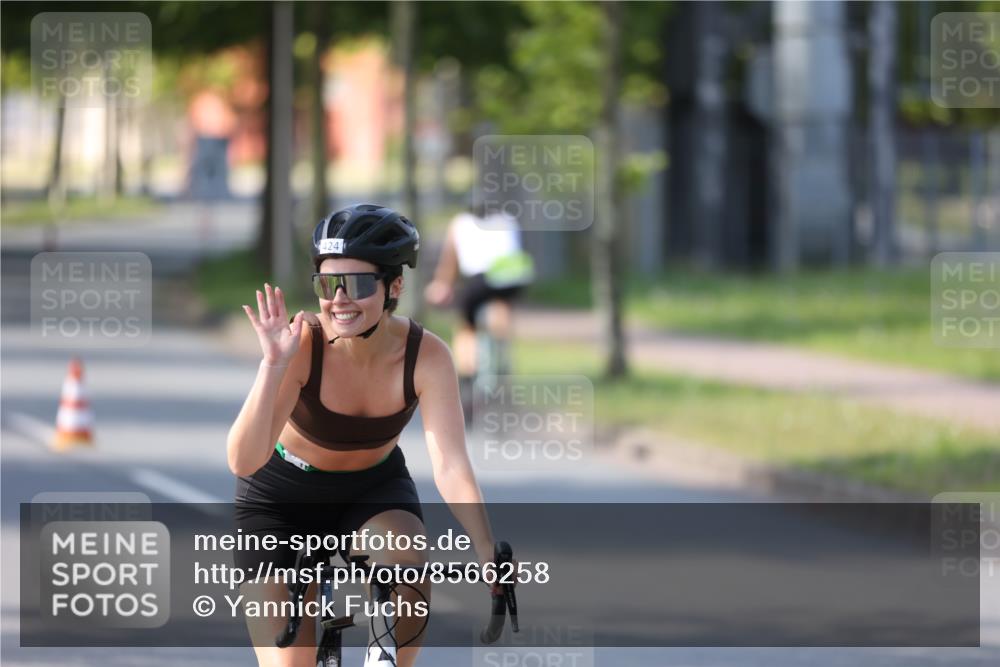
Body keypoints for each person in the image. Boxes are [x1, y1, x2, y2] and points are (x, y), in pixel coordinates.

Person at [228, 204, 499, 667]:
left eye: (356, 284)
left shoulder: (427, 356)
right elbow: (243, 461)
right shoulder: (301, 344)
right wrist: (272, 365)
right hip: (280, 497)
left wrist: (486, 548)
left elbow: (451, 464)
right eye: (327, 284)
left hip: (372, 491)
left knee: (408, 562)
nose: (339, 299)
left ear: (394, 287)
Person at [423, 205, 535, 406]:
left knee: (466, 325)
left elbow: (449, 262)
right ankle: (502, 356)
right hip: (514, 276)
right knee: (501, 304)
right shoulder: (508, 218)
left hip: (482, 279)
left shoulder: (460, 222)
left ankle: (467, 376)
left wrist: (441, 284)